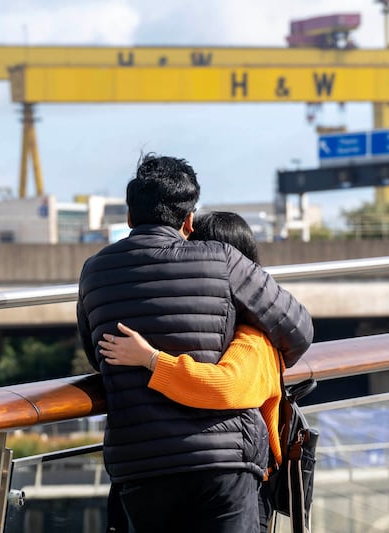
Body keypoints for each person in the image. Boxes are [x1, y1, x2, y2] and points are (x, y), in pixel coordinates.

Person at [76, 154, 313, 533]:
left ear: (129, 218)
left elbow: (96, 354)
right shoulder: (222, 259)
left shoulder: (94, 271)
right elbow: (299, 329)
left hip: (142, 465)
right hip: (224, 462)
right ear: (188, 221)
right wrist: (239, 335)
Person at [98, 211, 286, 533]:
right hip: (206, 470)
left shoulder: (254, 340)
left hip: (240, 480)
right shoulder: (215, 333)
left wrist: (151, 359)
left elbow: (223, 387)